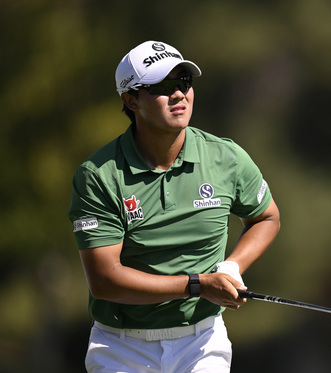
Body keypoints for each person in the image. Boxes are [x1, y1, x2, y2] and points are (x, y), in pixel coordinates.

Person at [68, 40, 280, 373]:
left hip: (201, 342)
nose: (179, 94)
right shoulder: (99, 175)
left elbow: (266, 218)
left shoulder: (226, 157)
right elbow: (105, 280)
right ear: (131, 100)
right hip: (122, 347)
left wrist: (232, 267)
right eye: (162, 87)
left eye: (184, 83)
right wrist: (197, 284)